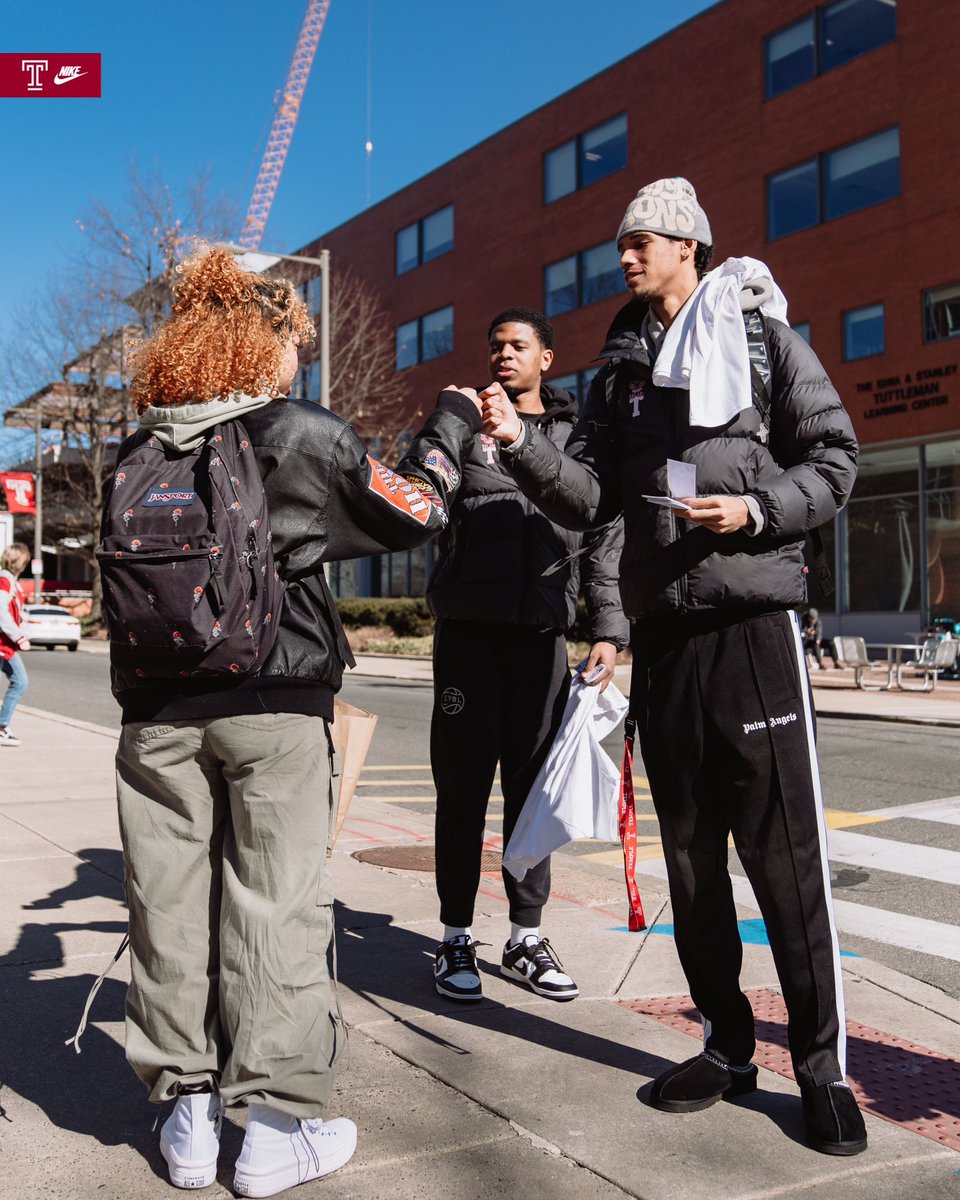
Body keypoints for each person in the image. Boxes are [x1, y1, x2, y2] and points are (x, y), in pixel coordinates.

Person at [479, 178, 867, 1156]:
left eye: (641, 240)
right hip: (667, 638)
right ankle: (727, 1048)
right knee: (693, 867)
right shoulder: (618, 375)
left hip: (754, 625)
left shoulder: (763, 342)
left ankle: (822, 1070)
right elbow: (594, 498)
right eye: (623, 244)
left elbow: (835, 459)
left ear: (688, 245)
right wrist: (522, 447)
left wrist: (757, 512)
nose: (625, 256)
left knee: (786, 866)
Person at [107, 246, 481, 1196]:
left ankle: (187, 1122)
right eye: (293, 348)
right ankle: (273, 1130)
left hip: (155, 714)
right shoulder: (303, 435)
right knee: (276, 909)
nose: (297, 366)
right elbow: (416, 509)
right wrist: (452, 420)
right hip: (274, 703)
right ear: (266, 343)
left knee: (169, 910)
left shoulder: (140, 446)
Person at [403, 307, 627, 1005]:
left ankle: (525, 936)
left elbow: (603, 531)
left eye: (518, 345)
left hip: (542, 642)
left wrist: (609, 628)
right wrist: (450, 422)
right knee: (462, 794)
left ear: (547, 359)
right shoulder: (459, 424)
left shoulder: (576, 437)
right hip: (468, 638)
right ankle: (454, 937)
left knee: (533, 798)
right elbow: (417, 495)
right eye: (495, 344)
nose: (504, 355)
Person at [0, 542, 31, 746]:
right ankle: (2, 728)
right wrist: (19, 636)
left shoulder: (11, 581)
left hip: (6, 645)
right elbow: (0, 611)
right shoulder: (5, 580)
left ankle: (2, 727)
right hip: (3, 645)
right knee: (20, 681)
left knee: (20, 681)